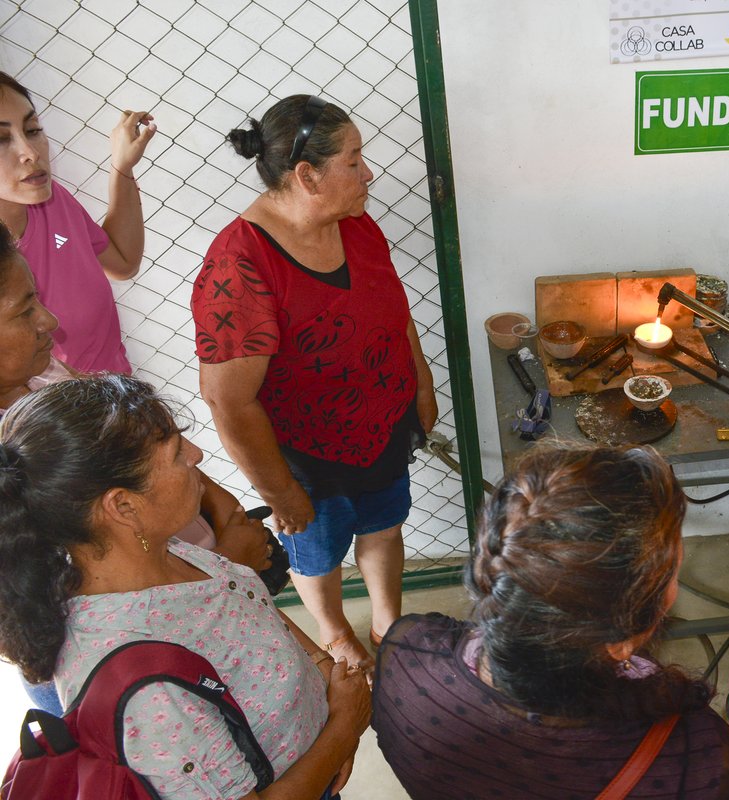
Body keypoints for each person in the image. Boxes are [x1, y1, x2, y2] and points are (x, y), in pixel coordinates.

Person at [0, 375, 371, 799]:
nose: (196, 455)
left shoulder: (161, 549)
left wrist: (326, 680)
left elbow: (241, 601)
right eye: (177, 453)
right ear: (123, 505)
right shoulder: (144, 695)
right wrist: (343, 731)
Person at [192, 95, 437, 671]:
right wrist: (280, 492)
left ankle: (386, 621)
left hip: (381, 424)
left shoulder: (355, 224)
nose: (367, 173)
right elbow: (227, 399)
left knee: (384, 522)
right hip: (306, 451)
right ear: (307, 175)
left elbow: (394, 312)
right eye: (354, 161)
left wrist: (420, 385)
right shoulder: (240, 265)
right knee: (318, 551)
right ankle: (332, 630)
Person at [0, 220, 280, 716]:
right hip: (152, 647)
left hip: (195, 575)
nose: (49, 320)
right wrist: (227, 569)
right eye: (24, 311)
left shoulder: (43, 371)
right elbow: (70, 608)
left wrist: (221, 507)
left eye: (36, 297)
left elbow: (147, 439)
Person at [373, 444, 729, 799]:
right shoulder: (701, 763)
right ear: (620, 641)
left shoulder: (405, 656)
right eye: (672, 573)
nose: (674, 586)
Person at [0, 71, 156, 374]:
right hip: (63, 418)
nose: (31, 153)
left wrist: (122, 167)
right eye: (1, 140)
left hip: (121, 397)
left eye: (32, 129)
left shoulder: (50, 200)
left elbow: (123, 263)